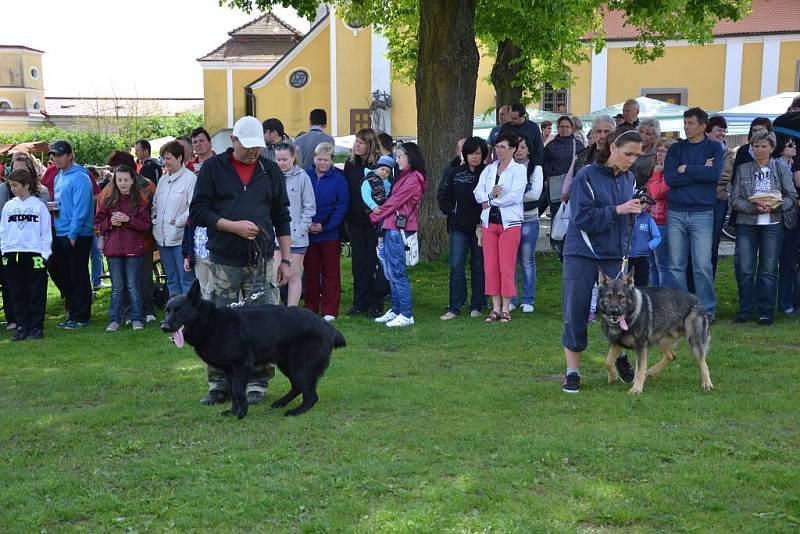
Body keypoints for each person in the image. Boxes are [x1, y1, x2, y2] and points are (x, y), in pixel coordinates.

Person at [189, 115, 292, 407]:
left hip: (261, 260)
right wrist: (231, 226)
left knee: (264, 322)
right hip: (224, 259)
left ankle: (257, 383)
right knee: (216, 323)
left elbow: (281, 215)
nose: (253, 152)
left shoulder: (270, 170)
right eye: (247, 146)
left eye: (257, 147)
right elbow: (198, 212)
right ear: (233, 141)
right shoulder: (213, 168)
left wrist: (285, 259)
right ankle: (219, 384)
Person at [561, 130, 643, 393]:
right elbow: (581, 218)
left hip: (613, 256)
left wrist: (626, 243)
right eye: (628, 153)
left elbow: (625, 220)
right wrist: (618, 210)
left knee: (619, 313)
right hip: (582, 255)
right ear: (613, 148)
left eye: (637, 155)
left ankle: (619, 357)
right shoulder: (586, 175)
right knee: (577, 312)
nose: (632, 160)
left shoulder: (629, 178)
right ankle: (572, 372)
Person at [730, 130, 797, 325]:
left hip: (773, 225)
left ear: (772, 148)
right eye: (755, 146)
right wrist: (754, 208)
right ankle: (745, 310)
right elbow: (734, 200)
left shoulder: (781, 168)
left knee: (768, 269)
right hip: (747, 224)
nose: (759, 150)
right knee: (745, 268)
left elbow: (791, 196)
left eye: (763, 146)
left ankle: (766, 311)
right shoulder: (743, 169)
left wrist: (776, 205)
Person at [664, 107, 724, 321]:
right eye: (685, 122)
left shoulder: (714, 148)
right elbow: (670, 179)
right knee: (676, 264)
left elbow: (714, 174)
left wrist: (687, 168)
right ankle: (682, 309)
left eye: (691, 123)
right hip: (677, 212)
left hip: (702, 213)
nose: (686, 127)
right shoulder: (676, 149)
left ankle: (707, 309)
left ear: (702, 125)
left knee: (702, 264)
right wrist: (701, 170)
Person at [371, 142, 427, 327]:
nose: (397, 160)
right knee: (390, 272)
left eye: (400, 156)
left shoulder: (412, 179)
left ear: (410, 157)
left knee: (397, 273)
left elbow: (394, 202)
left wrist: (372, 215)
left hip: (398, 230)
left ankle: (406, 313)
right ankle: (396, 310)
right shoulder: (404, 176)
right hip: (390, 227)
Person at [473, 133, 527, 323]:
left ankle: (506, 307)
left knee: (506, 266)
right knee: (490, 266)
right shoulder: (488, 169)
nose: (499, 150)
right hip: (489, 223)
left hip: (509, 224)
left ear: (513, 149)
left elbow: (515, 196)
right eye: (497, 147)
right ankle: (495, 307)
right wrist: (490, 197)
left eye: (503, 147)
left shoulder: (518, 170)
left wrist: (492, 202)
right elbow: (477, 192)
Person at [103, 150, 158, 324]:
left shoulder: (147, 186)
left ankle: (147, 310)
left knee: (142, 279)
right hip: (119, 243)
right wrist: (108, 226)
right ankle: (128, 313)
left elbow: (153, 211)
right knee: (125, 282)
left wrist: (131, 220)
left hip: (144, 239)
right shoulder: (109, 192)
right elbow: (100, 218)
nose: (120, 179)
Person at [95, 165, 151, 332]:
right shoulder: (109, 200)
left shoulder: (139, 201)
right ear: (115, 181)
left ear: (132, 180)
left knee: (133, 285)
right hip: (113, 250)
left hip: (134, 249)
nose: (123, 183)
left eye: (126, 180)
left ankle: (136, 318)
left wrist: (128, 219)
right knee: (117, 286)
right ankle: (115, 320)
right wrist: (110, 223)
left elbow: (145, 225)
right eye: (119, 180)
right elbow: (98, 223)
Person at [437, 136, 487, 320]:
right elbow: (443, 195)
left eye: (477, 153)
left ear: (483, 155)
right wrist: (452, 212)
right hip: (458, 226)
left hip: (480, 227)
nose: (474, 157)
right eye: (470, 153)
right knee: (456, 265)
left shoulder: (488, 173)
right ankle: (455, 306)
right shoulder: (454, 172)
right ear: (464, 154)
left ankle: (478, 304)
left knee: (478, 266)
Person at [0, 168, 51, 341]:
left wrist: (45, 254)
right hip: (12, 254)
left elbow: (46, 232)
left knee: (36, 290)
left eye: (15, 185)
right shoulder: (9, 206)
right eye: (10, 185)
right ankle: (22, 326)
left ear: (27, 185)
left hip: (34, 253)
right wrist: (4, 250)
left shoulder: (38, 206)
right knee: (17, 291)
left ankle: (36, 327)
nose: (12, 189)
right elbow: (3, 230)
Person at [49, 140, 95, 329]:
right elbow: (64, 203)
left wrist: (73, 234)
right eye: (53, 155)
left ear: (70, 155)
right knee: (61, 271)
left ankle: (82, 316)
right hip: (61, 231)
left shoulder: (80, 178)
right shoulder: (58, 176)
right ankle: (74, 311)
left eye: (59, 155)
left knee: (78, 274)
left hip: (78, 234)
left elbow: (81, 209)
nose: (55, 158)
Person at [303, 142, 349, 320]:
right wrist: (307, 224)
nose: (322, 163)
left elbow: (341, 206)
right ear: (314, 159)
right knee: (311, 272)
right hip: (308, 232)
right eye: (319, 159)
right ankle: (311, 307)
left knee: (331, 272)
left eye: (326, 160)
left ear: (332, 160)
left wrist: (325, 226)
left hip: (329, 233)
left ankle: (330, 310)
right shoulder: (305, 175)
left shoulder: (339, 179)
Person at [343, 128, 385, 317]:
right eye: (356, 142)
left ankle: (375, 302)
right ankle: (359, 302)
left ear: (369, 144)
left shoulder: (380, 166)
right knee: (358, 262)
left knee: (373, 261)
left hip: (374, 220)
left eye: (360, 142)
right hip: (355, 219)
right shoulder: (350, 164)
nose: (356, 146)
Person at [152, 141, 196, 297]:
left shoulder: (190, 179)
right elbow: (155, 205)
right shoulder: (163, 180)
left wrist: (178, 221)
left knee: (186, 279)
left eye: (169, 158)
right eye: (164, 158)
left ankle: (189, 315)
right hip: (162, 238)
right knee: (171, 279)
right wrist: (155, 222)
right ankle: (173, 315)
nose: (165, 162)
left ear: (179, 158)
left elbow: (194, 207)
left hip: (181, 239)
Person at [273, 143, 315, 306]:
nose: (281, 163)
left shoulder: (302, 177)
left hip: (297, 236)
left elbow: (309, 206)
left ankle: (292, 312)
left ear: (293, 158)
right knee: (275, 275)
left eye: (284, 159)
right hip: (276, 236)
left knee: (293, 275)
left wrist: (301, 228)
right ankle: (274, 312)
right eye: (278, 159)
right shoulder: (271, 176)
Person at [510, 135, 543, 313]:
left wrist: (511, 197)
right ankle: (512, 298)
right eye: (516, 147)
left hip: (529, 219)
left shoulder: (535, 168)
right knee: (511, 261)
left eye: (523, 147)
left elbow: (535, 194)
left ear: (529, 150)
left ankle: (528, 299)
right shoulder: (507, 168)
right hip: (511, 219)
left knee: (527, 261)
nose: (519, 150)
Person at [705, 116, 736, 278]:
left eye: (724, 130)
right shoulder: (701, 149)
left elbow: (725, 176)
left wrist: (703, 172)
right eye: (719, 129)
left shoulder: (727, 153)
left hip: (719, 201)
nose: (722, 133)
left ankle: (710, 279)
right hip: (700, 201)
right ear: (708, 130)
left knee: (713, 243)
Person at [647, 137, 678, 286]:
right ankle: (653, 298)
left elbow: (656, 193)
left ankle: (663, 300)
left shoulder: (670, 173)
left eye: (664, 151)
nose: (660, 154)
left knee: (662, 265)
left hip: (663, 223)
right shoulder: (657, 170)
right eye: (658, 150)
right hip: (651, 221)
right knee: (652, 265)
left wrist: (656, 174)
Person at [775, 135, 800, 315]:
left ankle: (787, 302)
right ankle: (783, 302)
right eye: (790, 145)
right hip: (782, 217)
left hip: (792, 218)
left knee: (789, 263)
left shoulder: (791, 164)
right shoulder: (778, 165)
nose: (794, 147)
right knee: (783, 262)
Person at [543, 116, 583, 218]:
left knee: (573, 215)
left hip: (573, 185)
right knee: (557, 216)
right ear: (558, 128)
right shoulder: (550, 146)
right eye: (562, 127)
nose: (565, 129)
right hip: (556, 185)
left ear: (572, 128)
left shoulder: (578, 145)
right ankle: (556, 234)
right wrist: (549, 176)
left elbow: (582, 164)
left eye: (567, 127)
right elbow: (545, 164)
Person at [360, 155, 394, 258]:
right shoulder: (369, 179)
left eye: (388, 172)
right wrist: (373, 206)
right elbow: (365, 194)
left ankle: (384, 244)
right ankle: (380, 246)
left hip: (383, 208)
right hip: (374, 208)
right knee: (380, 225)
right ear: (377, 168)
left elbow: (387, 194)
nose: (384, 173)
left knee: (385, 224)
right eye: (382, 169)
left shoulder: (386, 183)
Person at [498, 103, 544, 168]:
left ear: (522, 116)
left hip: (528, 165)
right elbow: (499, 146)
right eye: (510, 117)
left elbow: (538, 149)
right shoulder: (505, 128)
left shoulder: (533, 127)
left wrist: (537, 166)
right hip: (508, 165)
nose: (511, 120)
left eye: (514, 118)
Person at [628, 202, 661, 286]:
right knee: (626, 285)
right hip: (627, 258)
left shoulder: (648, 219)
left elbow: (657, 237)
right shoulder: (625, 217)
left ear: (645, 205)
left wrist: (648, 246)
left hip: (642, 257)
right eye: (636, 203)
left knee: (642, 285)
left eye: (642, 203)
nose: (639, 205)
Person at [631, 118, 660, 187]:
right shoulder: (630, 150)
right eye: (641, 131)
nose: (643, 136)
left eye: (648, 134)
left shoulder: (657, 154)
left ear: (655, 137)